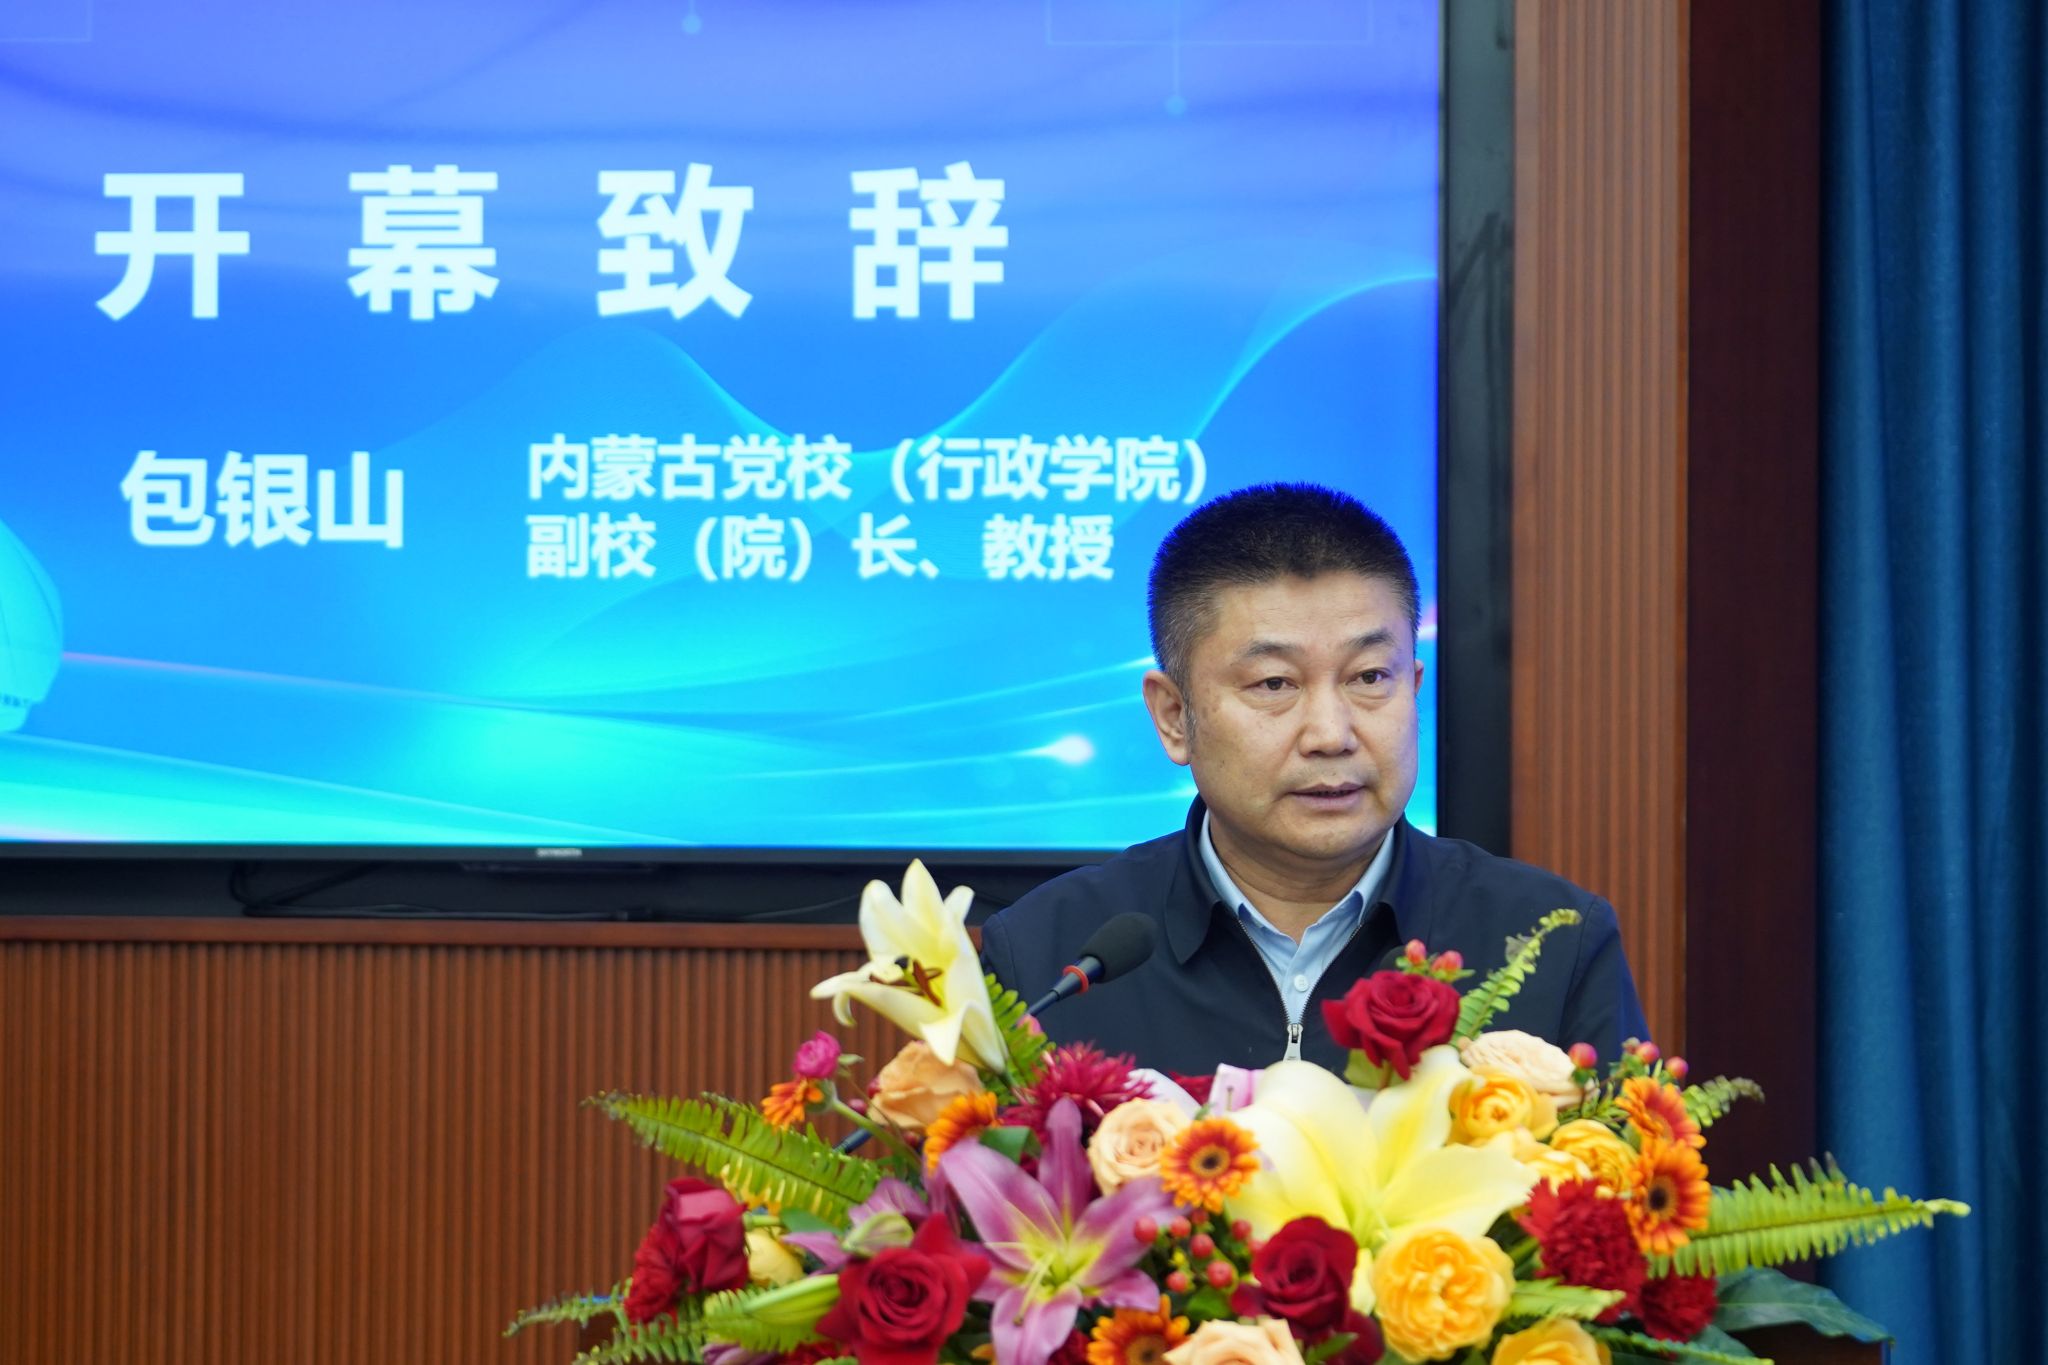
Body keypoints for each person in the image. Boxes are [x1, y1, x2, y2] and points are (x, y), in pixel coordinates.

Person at [979, 483, 1647, 1077]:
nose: (1331, 733)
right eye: (1275, 683)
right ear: (1175, 716)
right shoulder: (1047, 955)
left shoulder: (1552, 942)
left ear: (1413, 688)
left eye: (1369, 677)